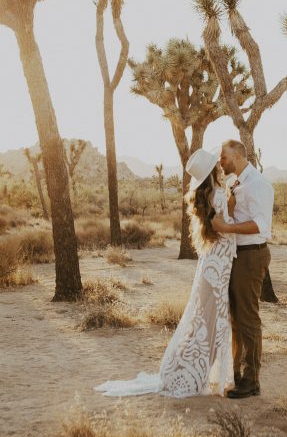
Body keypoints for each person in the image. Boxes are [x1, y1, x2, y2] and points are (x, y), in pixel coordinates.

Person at [93, 147, 237, 397]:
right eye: (217, 163)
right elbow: (227, 227)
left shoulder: (206, 196)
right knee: (213, 320)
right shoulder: (220, 196)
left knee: (204, 320)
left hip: (212, 264)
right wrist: (233, 200)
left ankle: (194, 370)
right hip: (219, 266)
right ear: (213, 169)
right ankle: (197, 374)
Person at [212, 139, 274, 399]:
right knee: (235, 318)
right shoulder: (234, 183)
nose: (220, 162)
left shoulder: (257, 184)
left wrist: (227, 228)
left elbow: (261, 225)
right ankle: (237, 375)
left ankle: (251, 381)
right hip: (237, 256)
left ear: (237, 156)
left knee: (248, 318)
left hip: (251, 256)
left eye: (223, 157)